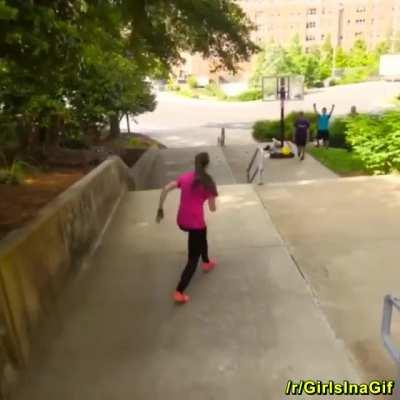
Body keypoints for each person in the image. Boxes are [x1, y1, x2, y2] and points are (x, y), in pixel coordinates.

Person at [156, 152, 218, 304]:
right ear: (207, 164)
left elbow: (166, 188)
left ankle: (207, 262)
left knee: (203, 234)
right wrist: (211, 197)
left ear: (195, 163)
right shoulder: (208, 182)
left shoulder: (185, 177)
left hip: (181, 220)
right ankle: (179, 291)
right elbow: (212, 209)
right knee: (192, 258)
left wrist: (160, 208)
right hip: (194, 223)